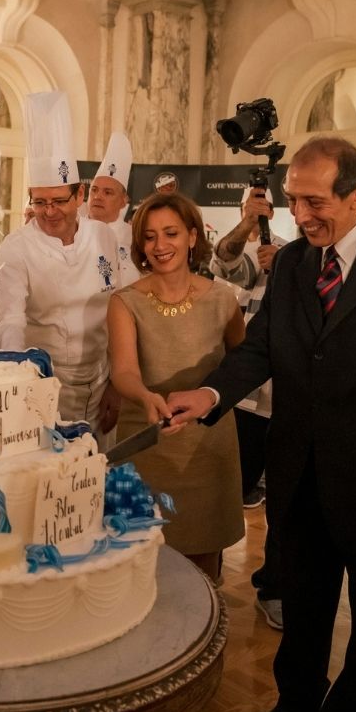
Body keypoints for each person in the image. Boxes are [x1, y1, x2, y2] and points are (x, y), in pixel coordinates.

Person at [165, 136, 356, 712]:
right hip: (299, 479)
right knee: (303, 613)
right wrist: (208, 393)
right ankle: (296, 703)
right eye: (292, 201)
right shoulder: (296, 264)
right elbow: (261, 350)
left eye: (314, 203)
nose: (300, 216)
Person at [108, 192, 245, 581]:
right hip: (147, 441)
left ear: (191, 237)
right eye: (149, 237)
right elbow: (124, 372)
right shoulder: (124, 301)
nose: (160, 245)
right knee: (141, 566)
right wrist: (145, 396)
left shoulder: (223, 299)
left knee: (204, 573)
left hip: (209, 448)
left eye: (170, 233)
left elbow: (243, 366)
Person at [0, 91, 121, 433]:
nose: (49, 212)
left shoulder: (104, 238)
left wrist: (117, 384)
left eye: (59, 201)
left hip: (100, 382)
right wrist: (17, 380)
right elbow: (9, 320)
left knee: (94, 473)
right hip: (44, 386)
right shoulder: (16, 248)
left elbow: (118, 312)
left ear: (79, 195)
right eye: (40, 202)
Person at [209, 185, 288, 628]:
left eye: (265, 209)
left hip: (290, 400)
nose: (258, 215)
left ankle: (275, 586)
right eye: (249, 208)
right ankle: (208, 573)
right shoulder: (242, 253)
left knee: (286, 504)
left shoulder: (293, 252)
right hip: (247, 401)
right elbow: (224, 261)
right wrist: (246, 227)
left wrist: (289, 268)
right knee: (227, 490)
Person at [86, 132, 140, 288]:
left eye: (107, 192)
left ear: (124, 201)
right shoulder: (71, 231)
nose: (98, 196)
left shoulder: (135, 238)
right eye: (94, 190)